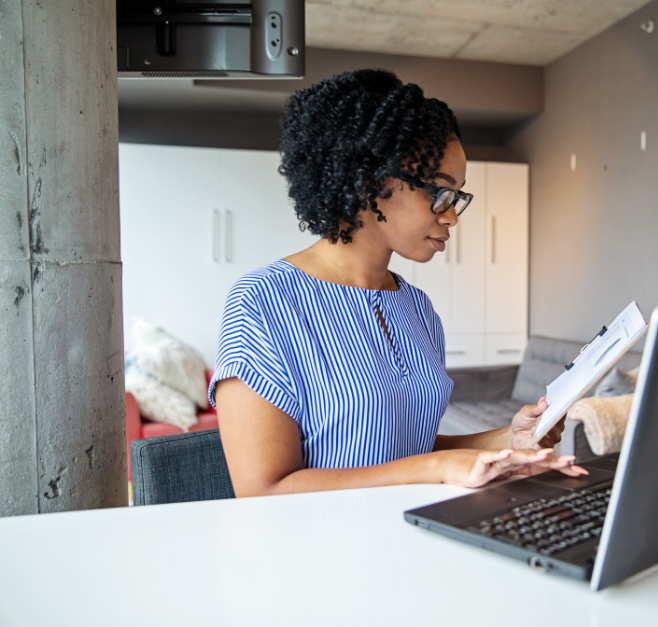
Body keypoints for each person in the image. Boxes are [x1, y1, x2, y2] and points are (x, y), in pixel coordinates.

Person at [210, 69, 585, 497]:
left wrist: (508, 439)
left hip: (417, 525)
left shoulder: (417, 308)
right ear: (368, 181)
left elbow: (406, 452)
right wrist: (438, 468)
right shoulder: (263, 302)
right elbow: (262, 490)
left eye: (457, 196)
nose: (452, 215)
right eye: (439, 192)